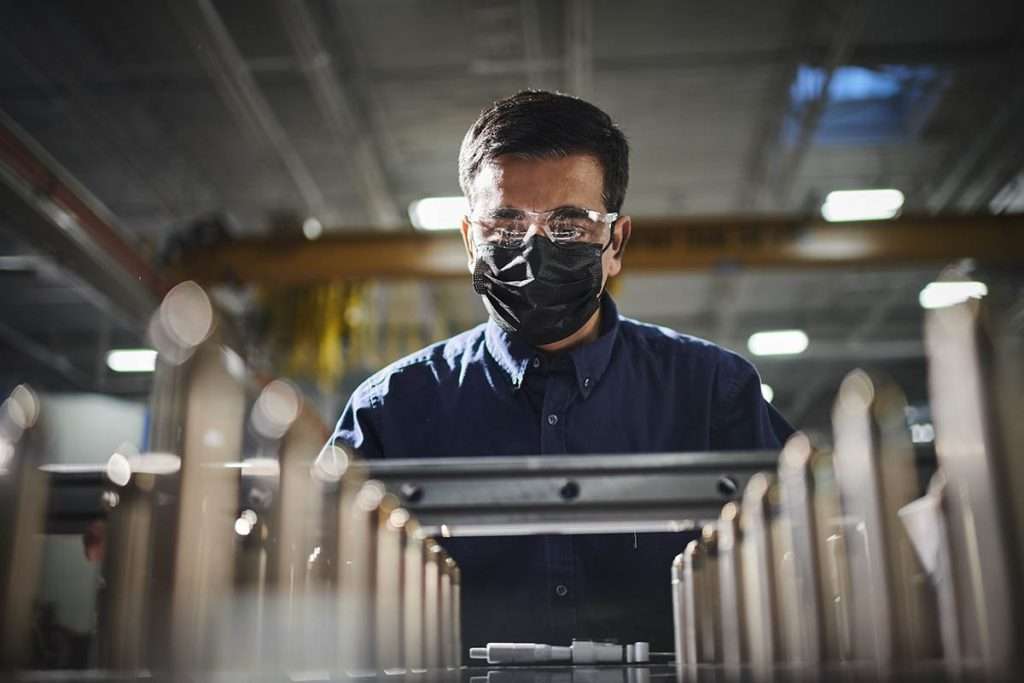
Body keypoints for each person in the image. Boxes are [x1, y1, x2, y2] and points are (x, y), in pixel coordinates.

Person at [331, 90, 793, 651]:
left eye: (570, 225)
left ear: (615, 241)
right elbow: (322, 585)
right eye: (504, 223)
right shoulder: (391, 409)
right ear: (468, 239)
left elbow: (801, 549)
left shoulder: (714, 392)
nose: (533, 250)